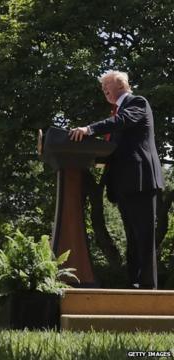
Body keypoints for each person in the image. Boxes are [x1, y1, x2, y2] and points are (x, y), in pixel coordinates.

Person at [69, 70, 164, 289]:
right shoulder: (117, 112)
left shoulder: (137, 103)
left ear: (120, 84)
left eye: (106, 86)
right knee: (131, 236)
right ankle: (134, 284)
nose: (104, 91)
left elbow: (121, 121)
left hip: (141, 181)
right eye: (102, 88)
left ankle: (148, 287)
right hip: (123, 184)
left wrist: (89, 129)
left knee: (144, 236)